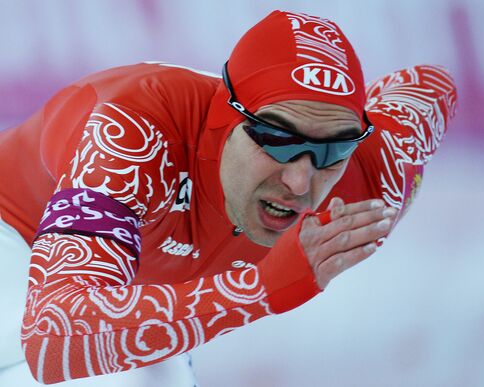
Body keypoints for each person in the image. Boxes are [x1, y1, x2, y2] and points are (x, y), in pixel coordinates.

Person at [0, 9, 457, 386]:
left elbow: (433, 86)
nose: (301, 181)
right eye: (277, 139)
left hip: (128, 281)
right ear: (224, 121)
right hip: (16, 233)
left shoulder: (368, 182)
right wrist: (267, 287)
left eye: (331, 150)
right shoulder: (133, 137)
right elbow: (53, 338)